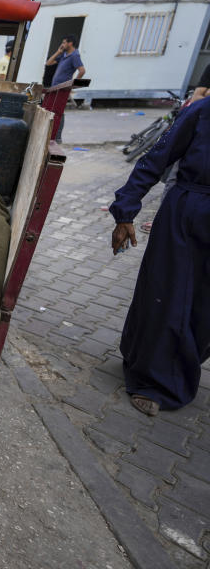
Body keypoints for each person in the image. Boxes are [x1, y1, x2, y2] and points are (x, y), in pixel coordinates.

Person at [108, 97, 209, 417]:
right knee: (167, 295)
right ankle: (151, 380)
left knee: (203, 307)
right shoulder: (201, 110)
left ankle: (175, 368)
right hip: (186, 214)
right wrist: (126, 209)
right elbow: (157, 156)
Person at [46, 35, 86, 141]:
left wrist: (72, 86)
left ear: (70, 43)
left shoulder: (74, 56)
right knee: (53, 110)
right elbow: (48, 63)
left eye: (64, 42)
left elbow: (82, 70)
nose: (62, 45)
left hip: (63, 88)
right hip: (55, 87)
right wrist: (58, 52)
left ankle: (58, 137)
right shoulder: (64, 54)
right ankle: (53, 134)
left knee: (59, 112)